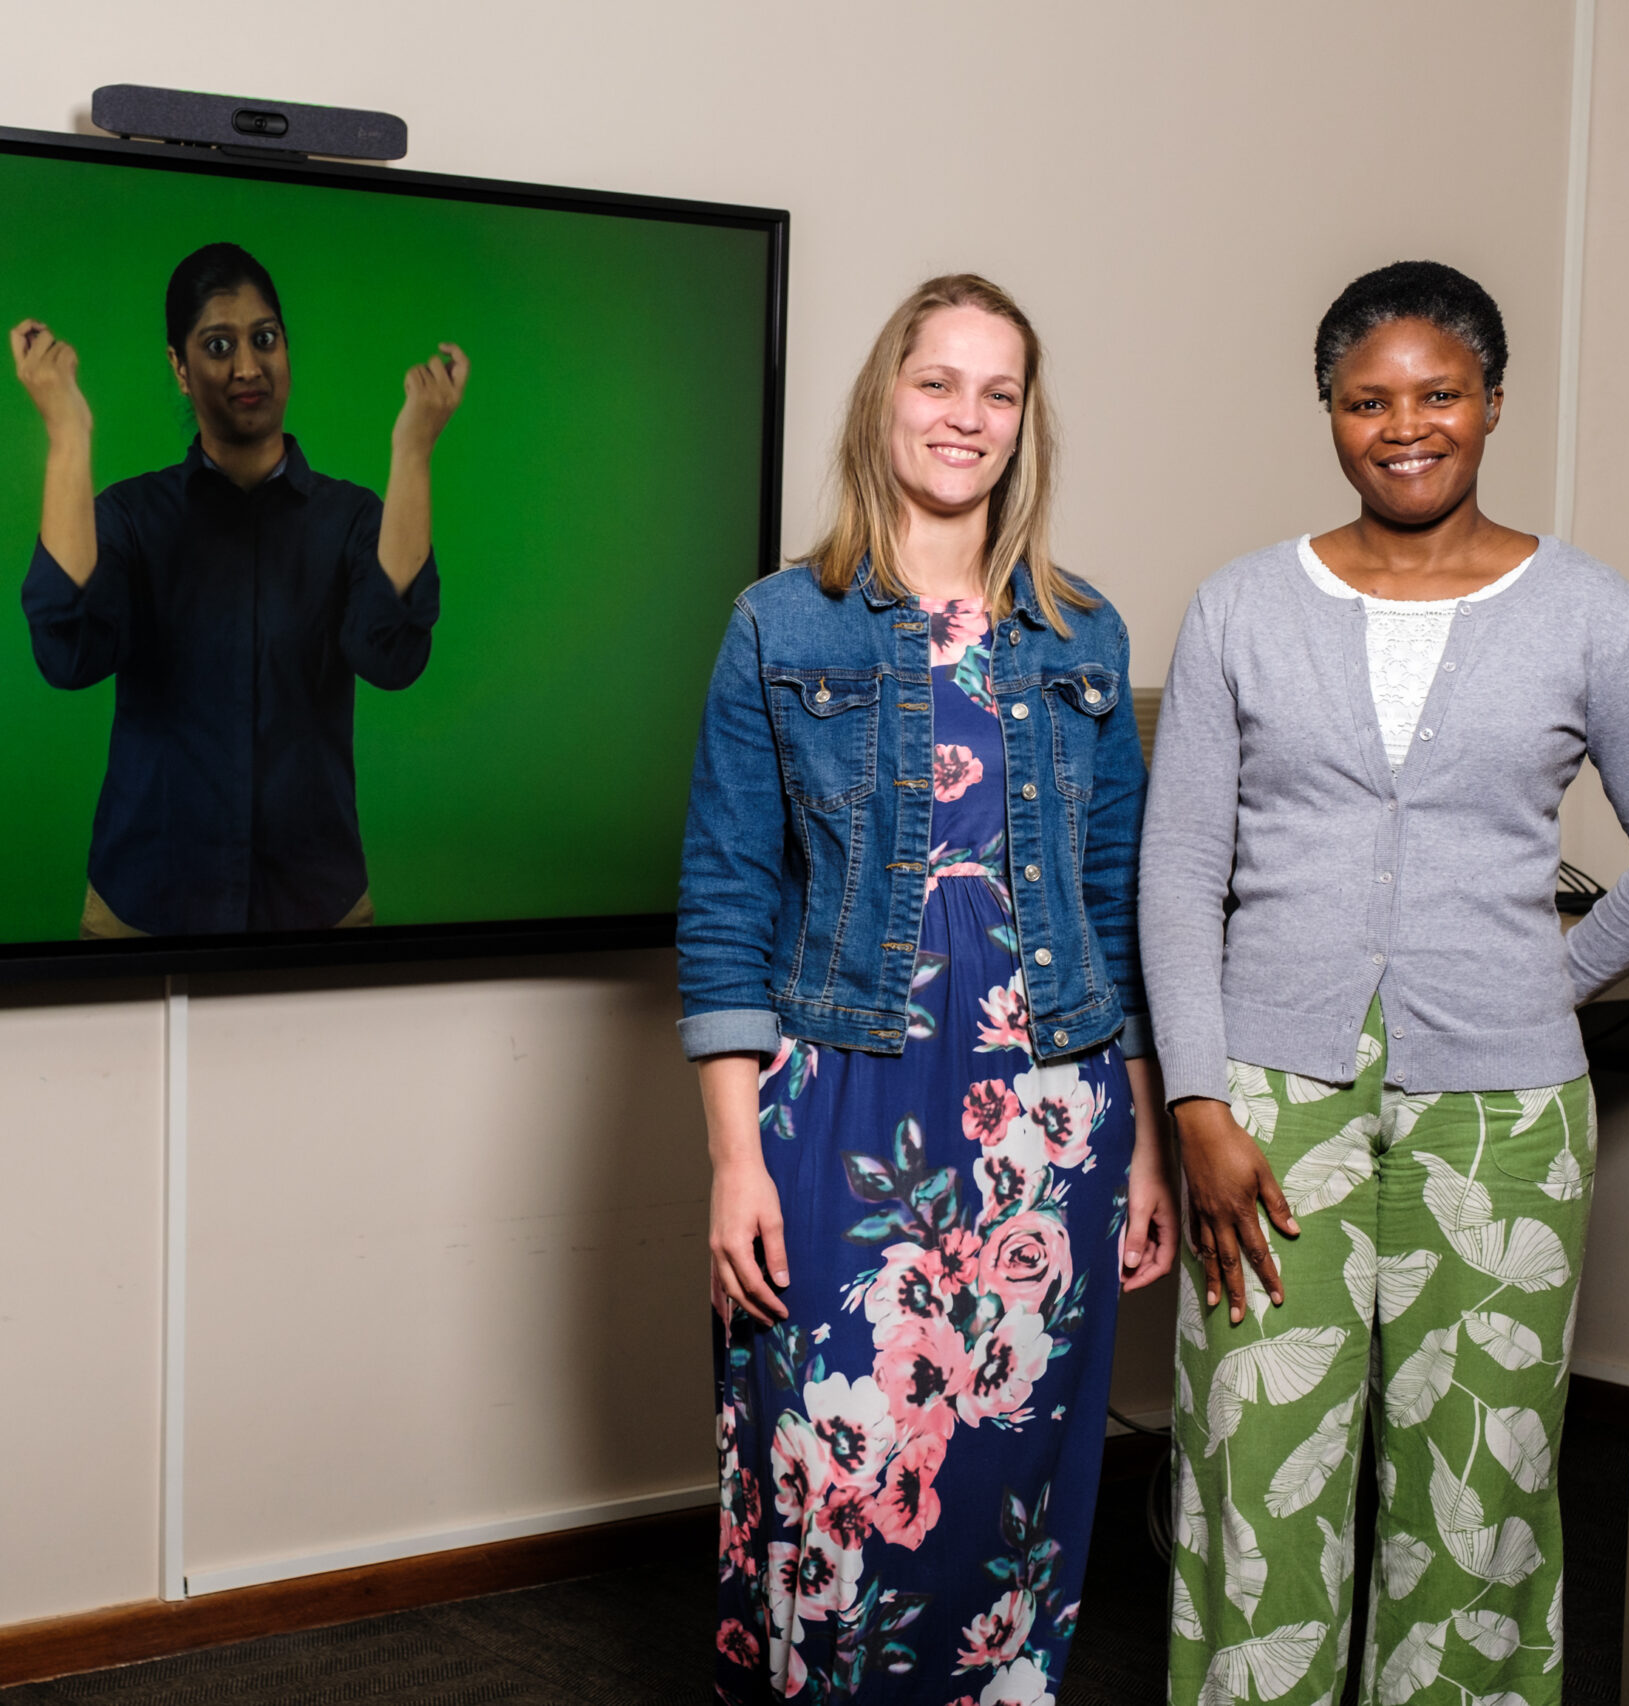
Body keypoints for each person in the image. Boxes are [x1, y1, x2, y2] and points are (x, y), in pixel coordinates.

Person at [1145, 261, 1629, 1706]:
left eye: (1438, 394)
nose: (1404, 427)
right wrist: (1201, 1097)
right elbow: (1175, 869)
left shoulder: (1586, 609)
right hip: (1268, 1106)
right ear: (1331, 412)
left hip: (1506, 1118)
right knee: (1254, 1470)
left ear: (1491, 404)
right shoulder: (1238, 608)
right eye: (1367, 400)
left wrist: (1546, 982)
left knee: (1478, 1492)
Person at [681, 274, 1178, 1704]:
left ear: (1025, 425)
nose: (965, 415)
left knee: (1015, 1496)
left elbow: (1109, 905)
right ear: (884, 398)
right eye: (937, 381)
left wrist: (1138, 1134)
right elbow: (722, 907)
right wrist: (733, 1160)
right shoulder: (783, 628)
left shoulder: (1081, 636)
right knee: (832, 1482)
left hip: (1053, 1125)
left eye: (998, 391)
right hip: (843, 1111)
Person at [8, 242, 469, 936]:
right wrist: (67, 432)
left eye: (265, 339)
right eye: (218, 344)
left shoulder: (353, 520)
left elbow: (392, 657)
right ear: (180, 367)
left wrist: (413, 451)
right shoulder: (130, 518)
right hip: (144, 910)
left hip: (318, 908)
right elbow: (68, 654)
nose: (248, 366)